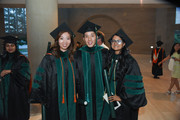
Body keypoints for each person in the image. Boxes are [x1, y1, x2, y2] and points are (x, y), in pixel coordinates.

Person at [30, 23, 77, 120]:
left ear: (71, 41)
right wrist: (41, 97)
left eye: (68, 38)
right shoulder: (49, 58)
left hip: (71, 99)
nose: (65, 42)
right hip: (54, 99)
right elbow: (39, 77)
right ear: (57, 40)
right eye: (61, 38)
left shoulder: (73, 58)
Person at [102, 29, 147, 120]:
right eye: (113, 41)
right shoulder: (108, 58)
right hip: (108, 99)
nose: (115, 43)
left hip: (122, 104)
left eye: (119, 41)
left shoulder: (130, 62)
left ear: (124, 44)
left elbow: (133, 85)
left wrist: (121, 98)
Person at [74, 21, 108, 120]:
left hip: (102, 97)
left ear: (96, 37)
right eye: (86, 36)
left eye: (92, 35)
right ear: (83, 38)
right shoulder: (77, 54)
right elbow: (74, 76)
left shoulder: (105, 53)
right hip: (84, 98)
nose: (89, 39)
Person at [0, 36, 31, 120]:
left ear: (15, 46)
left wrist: (10, 71)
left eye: (12, 45)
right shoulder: (2, 59)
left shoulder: (21, 59)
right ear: (5, 47)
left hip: (17, 92)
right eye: (7, 45)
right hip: (3, 92)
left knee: (16, 113)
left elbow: (26, 75)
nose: (10, 48)